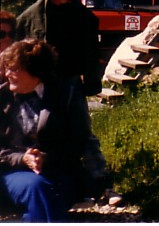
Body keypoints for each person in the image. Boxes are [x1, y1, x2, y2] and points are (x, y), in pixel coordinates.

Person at [15, 0, 120, 205]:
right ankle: (47, 185)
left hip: (71, 80)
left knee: (83, 132)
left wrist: (90, 76)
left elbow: (91, 48)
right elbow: (18, 42)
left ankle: (102, 183)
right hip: (43, 83)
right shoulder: (34, 14)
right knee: (40, 132)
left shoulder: (80, 13)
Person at [0, 39, 93, 221]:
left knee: (44, 198)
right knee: (37, 188)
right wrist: (23, 158)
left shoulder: (65, 96)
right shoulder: (2, 98)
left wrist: (46, 158)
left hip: (56, 171)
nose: (7, 74)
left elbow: (78, 143)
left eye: (14, 69)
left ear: (36, 71)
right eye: (7, 68)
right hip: (12, 172)